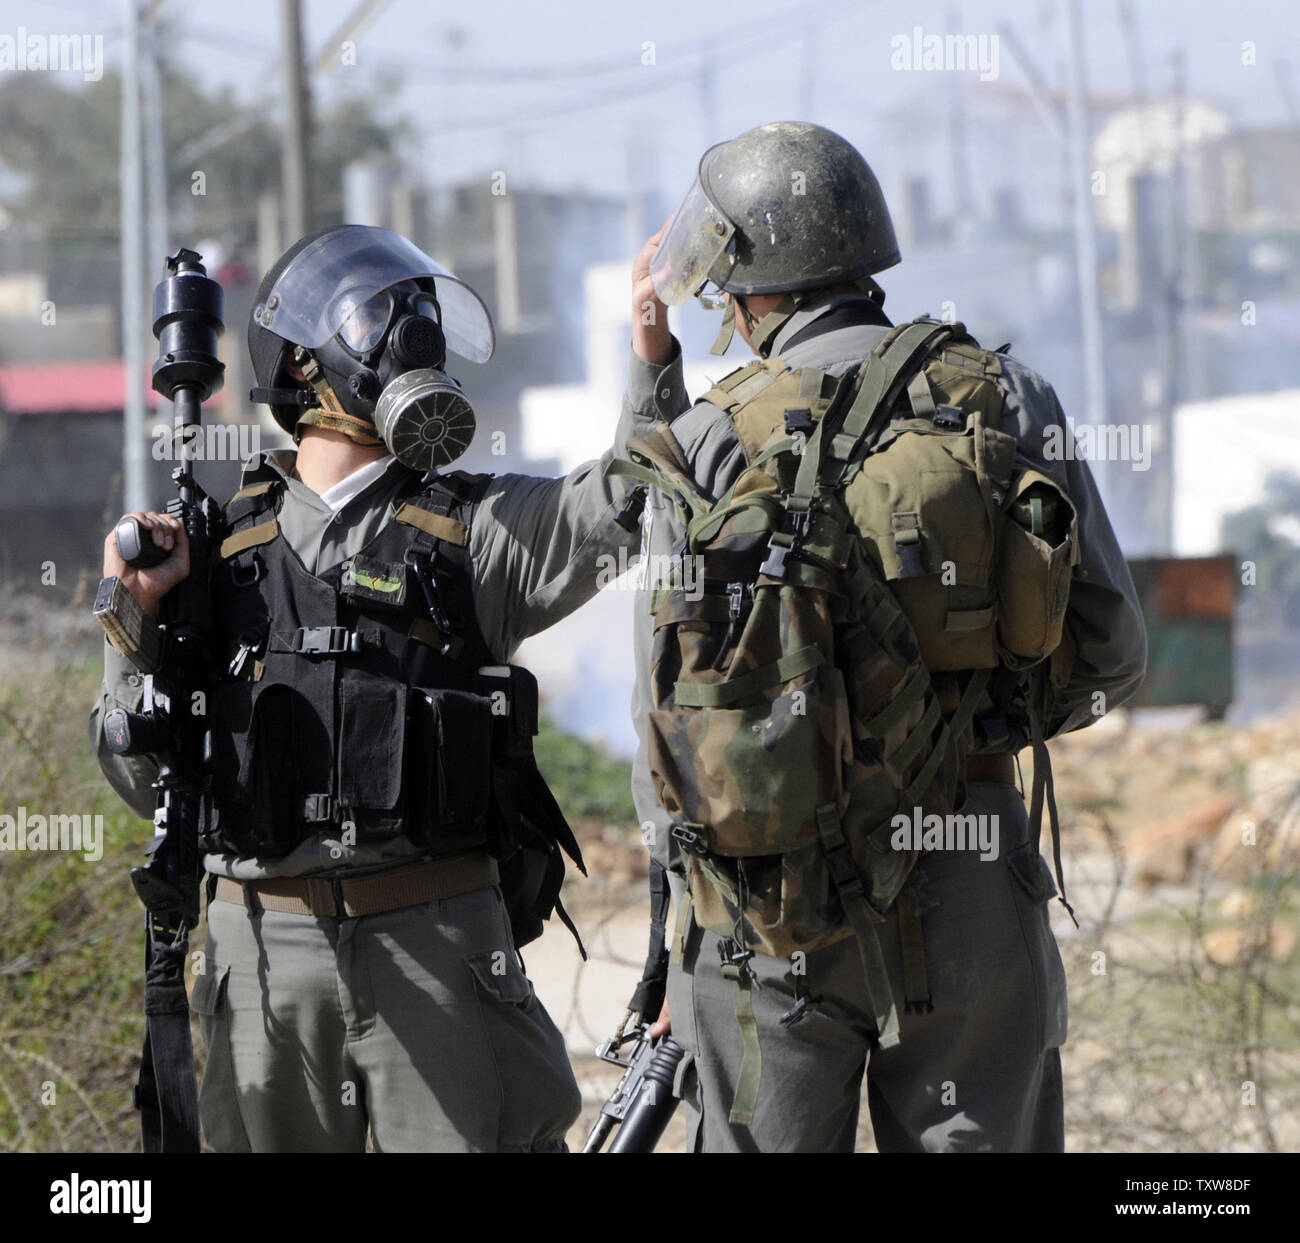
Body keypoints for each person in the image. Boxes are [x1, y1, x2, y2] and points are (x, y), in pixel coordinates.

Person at [624, 122, 1147, 1152]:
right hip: (970, 871)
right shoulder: (1004, 395)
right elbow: (1113, 650)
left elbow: (664, 719)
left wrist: (677, 918)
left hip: (769, 902)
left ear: (745, 281)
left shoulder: (702, 437)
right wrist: (973, 732)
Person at [92, 224, 663, 1153]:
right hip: (263, 956)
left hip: (438, 946)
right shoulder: (204, 553)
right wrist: (136, 616)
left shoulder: (476, 531)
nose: (416, 337)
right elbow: (142, 772)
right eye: (386, 319)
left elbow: (629, 502)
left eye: (423, 317)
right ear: (306, 365)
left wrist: (652, 354)